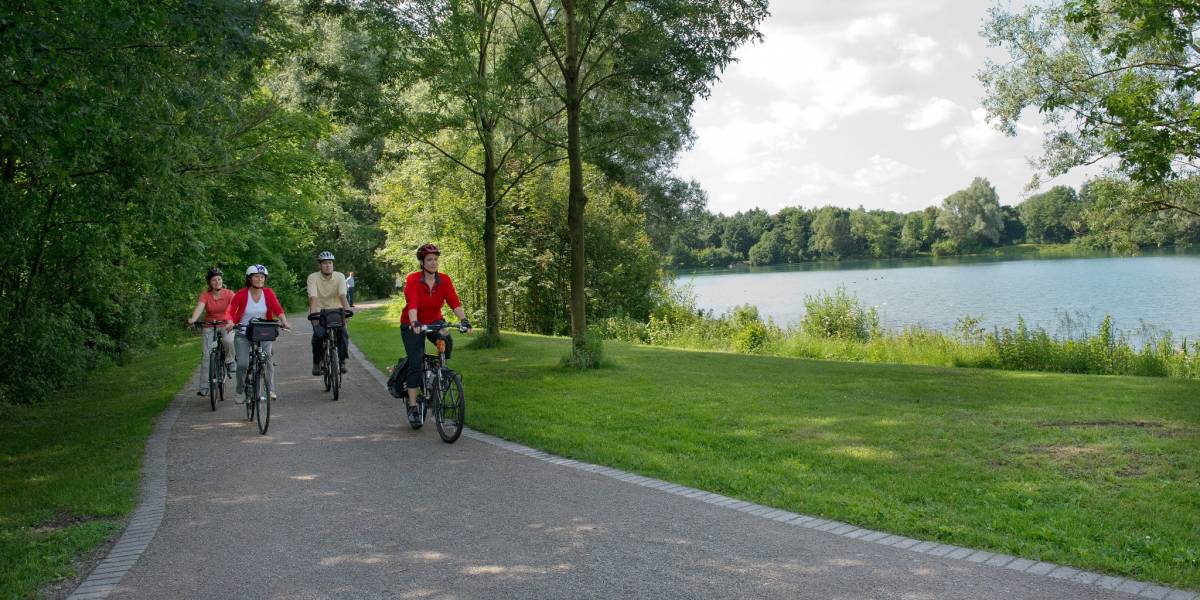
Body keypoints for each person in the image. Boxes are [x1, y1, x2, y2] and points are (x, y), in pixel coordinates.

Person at [401, 244, 471, 425]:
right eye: (429, 260)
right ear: (422, 263)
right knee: (415, 362)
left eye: (435, 259)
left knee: (446, 344)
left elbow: (454, 301)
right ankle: (414, 406)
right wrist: (415, 322)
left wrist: (464, 320)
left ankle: (436, 373)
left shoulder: (444, 280)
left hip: (434, 321)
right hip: (412, 324)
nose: (433, 263)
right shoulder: (413, 279)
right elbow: (412, 303)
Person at [226, 265, 290, 402]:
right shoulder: (241, 294)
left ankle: (270, 389)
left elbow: (277, 309)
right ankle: (240, 390)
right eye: (256, 276)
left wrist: (284, 322)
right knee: (243, 364)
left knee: (267, 359)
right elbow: (230, 311)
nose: (260, 279)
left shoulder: (268, 293)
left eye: (262, 277)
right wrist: (230, 322)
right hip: (243, 333)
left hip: (263, 332)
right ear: (250, 279)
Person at [186, 267, 236, 397]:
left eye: (219, 279)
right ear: (209, 282)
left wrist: (233, 321)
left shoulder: (229, 293)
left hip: (226, 324)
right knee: (207, 356)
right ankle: (204, 388)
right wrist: (193, 319)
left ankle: (230, 361)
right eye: (214, 280)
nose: (217, 282)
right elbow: (200, 307)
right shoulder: (205, 295)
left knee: (228, 340)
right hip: (209, 325)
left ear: (222, 280)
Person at [307, 251, 351, 376]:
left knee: (343, 333)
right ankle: (317, 363)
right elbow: (313, 298)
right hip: (320, 312)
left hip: (337, 311)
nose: (328, 265)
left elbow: (342, 295)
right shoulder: (313, 277)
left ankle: (342, 361)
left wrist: (347, 311)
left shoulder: (340, 276)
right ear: (320, 265)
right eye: (325, 263)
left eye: (330, 263)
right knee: (318, 335)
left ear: (333, 264)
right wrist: (314, 317)